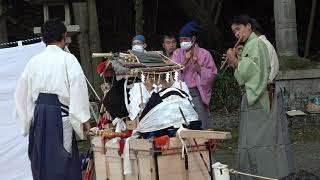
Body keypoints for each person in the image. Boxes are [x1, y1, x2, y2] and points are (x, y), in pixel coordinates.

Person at [15, 19, 91, 180]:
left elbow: (22, 92)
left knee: (42, 159)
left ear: (43, 39)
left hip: (40, 115)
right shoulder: (68, 59)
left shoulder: (33, 61)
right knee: (62, 159)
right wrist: (83, 118)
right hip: (60, 114)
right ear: (64, 37)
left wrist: (27, 120)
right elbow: (78, 88)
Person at [223, 15, 295, 179]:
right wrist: (236, 63)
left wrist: (236, 61)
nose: (236, 34)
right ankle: (259, 174)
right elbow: (249, 71)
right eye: (234, 31)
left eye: (238, 29)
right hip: (256, 95)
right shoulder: (252, 44)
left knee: (261, 141)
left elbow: (255, 73)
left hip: (260, 97)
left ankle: (264, 174)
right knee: (257, 141)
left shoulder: (256, 43)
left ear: (248, 27)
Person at [172, 21, 217, 129]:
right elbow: (173, 73)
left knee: (201, 121)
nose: (183, 42)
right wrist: (186, 61)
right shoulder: (177, 53)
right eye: (181, 40)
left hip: (197, 92)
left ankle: (205, 142)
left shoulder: (204, 54)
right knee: (182, 122)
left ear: (193, 39)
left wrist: (197, 64)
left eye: (186, 39)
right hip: (181, 93)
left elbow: (211, 75)